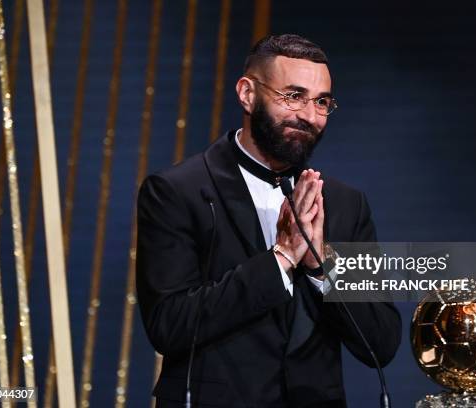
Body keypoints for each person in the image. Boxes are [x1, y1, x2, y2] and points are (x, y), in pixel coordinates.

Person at [136, 34, 402, 407]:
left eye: (321, 102)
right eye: (293, 96)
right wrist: (281, 259)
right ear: (247, 93)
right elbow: (170, 325)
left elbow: (382, 341)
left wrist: (319, 265)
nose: (309, 116)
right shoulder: (177, 191)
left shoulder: (344, 204)